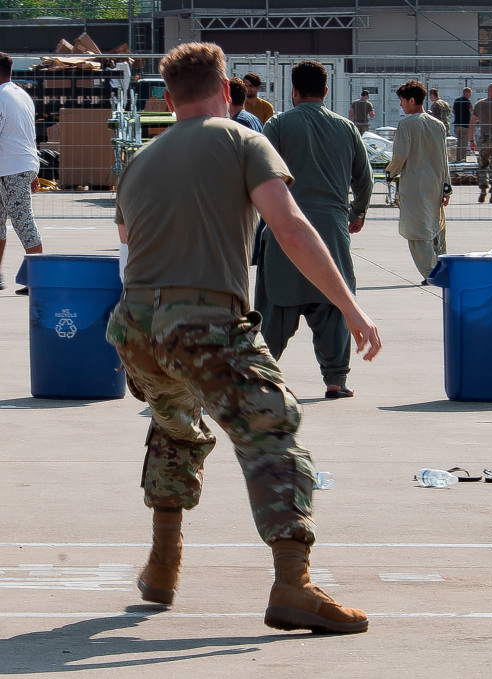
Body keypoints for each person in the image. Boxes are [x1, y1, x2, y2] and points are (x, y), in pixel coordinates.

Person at [108, 41, 382, 635]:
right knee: (271, 432)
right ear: (229, 92)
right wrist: (350, 309)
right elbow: (289, 227)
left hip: (134, 327)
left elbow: (130, 249)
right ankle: (293, 586)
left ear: (167, 99)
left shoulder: (139, 160)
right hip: (203, 318)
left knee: (174, 423)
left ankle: (162, 567)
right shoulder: (244, 140)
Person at [256, 60, 372, 399]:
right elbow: (364, 180)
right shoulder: (346, 128)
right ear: (324, 91)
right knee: (336, 304)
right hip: (332, 232)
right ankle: (336, 379)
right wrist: (357, 212)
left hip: (284, 229)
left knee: (273, 307)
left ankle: (259, 373)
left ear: (293, 91)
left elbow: (257, 174)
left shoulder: (277, 125)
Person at [388, 81, 451, 284]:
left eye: (402, 101)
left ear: (412, 100)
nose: (401, 106)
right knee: (435, 228)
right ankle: (443, 269)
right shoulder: (438, 124)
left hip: (414, 186)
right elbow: (444, 159)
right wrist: (447, 187)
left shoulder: (406, 124)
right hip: (435, 184)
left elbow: (400, 154)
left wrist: (390, 173)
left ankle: (431, 273)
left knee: (417, 232)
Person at [0, 52, 44, 295]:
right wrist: (33, 169)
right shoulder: (22, 95)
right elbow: (28, 134)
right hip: (17, 166)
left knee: (22, 222)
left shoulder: (1, 97)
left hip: (11, 169)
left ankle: (37, 279)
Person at [452, 87, 473, 162]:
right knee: (464, 144)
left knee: (458, 143)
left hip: (457, 125)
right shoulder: (468, 102)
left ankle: (457, 158)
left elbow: (453, 111)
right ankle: (463, 159)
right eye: (470, 93)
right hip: (465, 125)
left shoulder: (456, 101)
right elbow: (471, 111)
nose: (470, 95)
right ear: (467, 93)